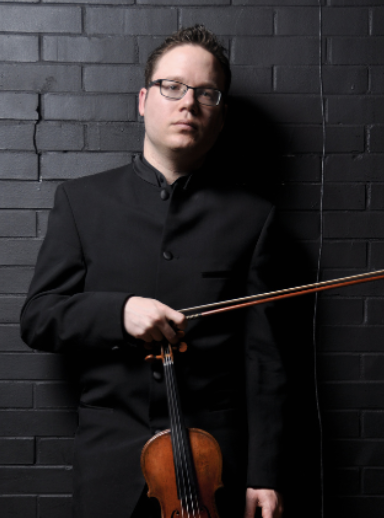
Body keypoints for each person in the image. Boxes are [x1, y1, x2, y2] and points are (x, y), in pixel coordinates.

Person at [20, 25, 285, 518]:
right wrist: (118, 312)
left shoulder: (253, 218)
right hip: (110, 468)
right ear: (144, 100)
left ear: (221, 116)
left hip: (215, 474)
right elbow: (38, 318)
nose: (189, 103)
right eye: (173, 87)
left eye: (207, 93)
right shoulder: (81, 203)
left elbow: (263, 360)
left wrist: (263, 474)